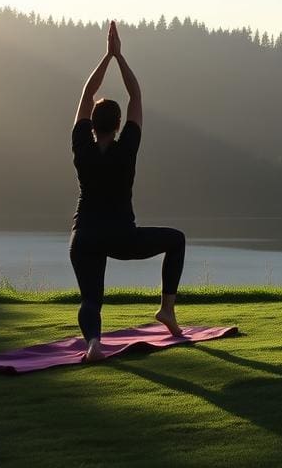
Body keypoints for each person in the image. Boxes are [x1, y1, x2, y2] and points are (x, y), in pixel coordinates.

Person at [68, 21, 186, 361]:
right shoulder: (127, 148)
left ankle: (93, 344)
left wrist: (106, 57)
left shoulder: (81, 145)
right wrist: (120, 57)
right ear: (119, 125)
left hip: (85, 235)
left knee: (91, 299)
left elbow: (86, 95)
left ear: (92, 124)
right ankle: (166, 310)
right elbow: (135, 95)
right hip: (121, 236)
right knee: (175, 240)